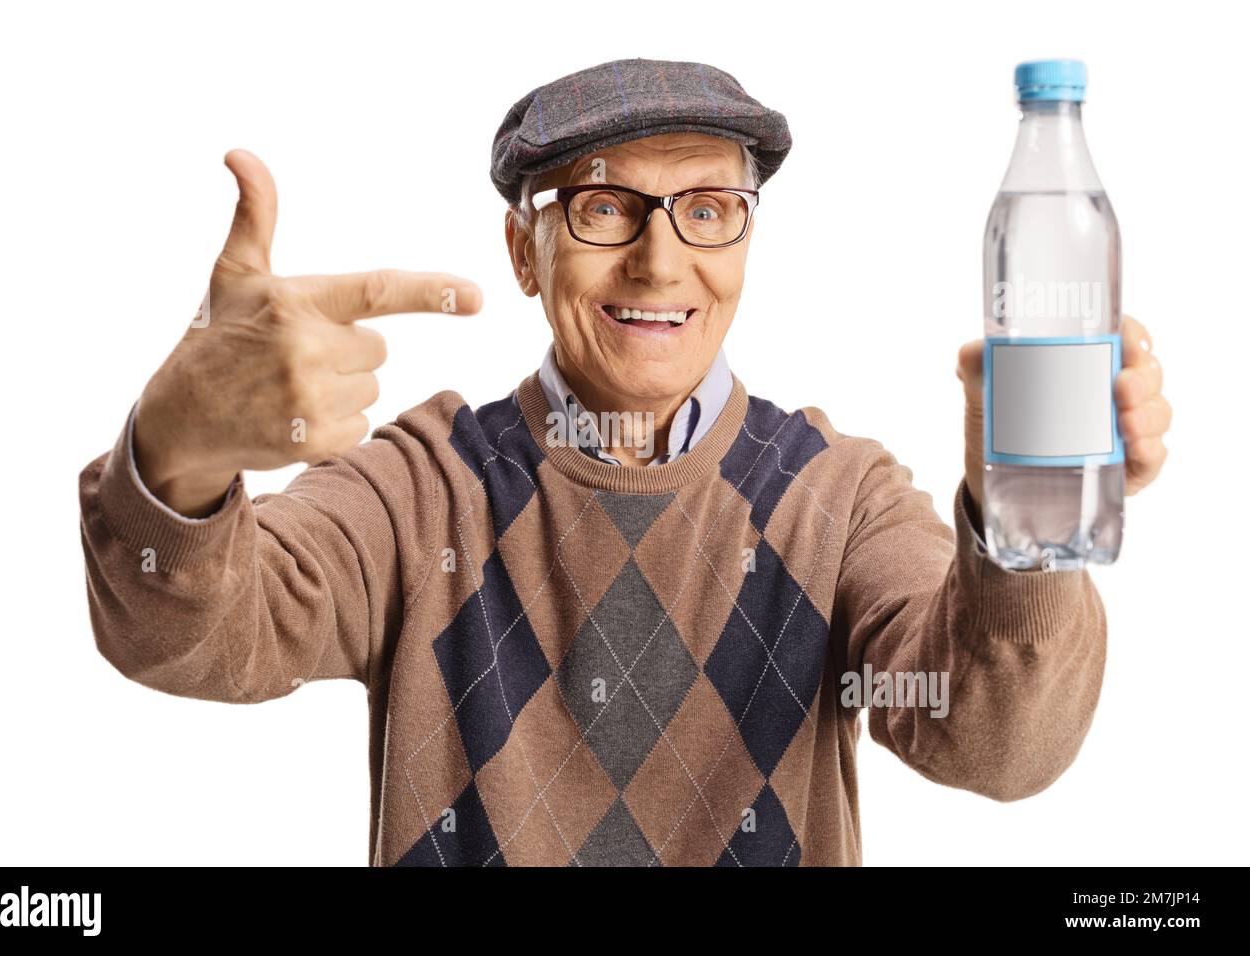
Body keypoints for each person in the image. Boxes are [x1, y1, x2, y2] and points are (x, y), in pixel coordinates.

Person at [78, 57, 1171, 866]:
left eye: (708, 210)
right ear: (523, 248)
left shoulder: (835, 499)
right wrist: (176, 451)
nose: (662, 260)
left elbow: (997, 745)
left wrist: (1025, 521)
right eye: (604, 208)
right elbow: (190, 635)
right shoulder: (424, 488)